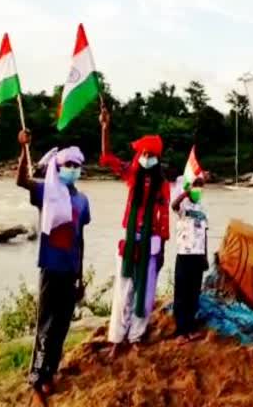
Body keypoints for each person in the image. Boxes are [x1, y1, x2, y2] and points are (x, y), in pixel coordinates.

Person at [16, 131, 90, 406]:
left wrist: (81, 277)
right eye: (67, 165)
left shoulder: (82, 201)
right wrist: (24, 149)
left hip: (71, 271)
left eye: (76, 165)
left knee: (61, 326)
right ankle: (36, 378)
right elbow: (22, 180)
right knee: (45, 326)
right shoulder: (47, 193)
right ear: (58, 168)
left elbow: (80, 240)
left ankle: (50, 372)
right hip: (50, 267)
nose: (72, 169)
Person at [98, 108, 170, 357]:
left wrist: (163, 249)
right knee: (124, 290)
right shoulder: (131, 175)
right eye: (144, 153)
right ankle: (117, 338)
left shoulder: (162, 184)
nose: (147, 158)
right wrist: (105, 128)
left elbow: (165, 217)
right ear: (139, 154)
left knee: (146, 291)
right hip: (129, 241)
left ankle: (136, 335)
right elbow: (107, 158)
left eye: (152, 155)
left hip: (152, 242)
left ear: (157, 159)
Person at [171, 175, 209, 341]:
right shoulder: (183, 207)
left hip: (198, 255)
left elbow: (204, 234)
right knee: (181, 293)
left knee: (194, 293)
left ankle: (191, 327)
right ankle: (180, 330)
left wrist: (206, 256)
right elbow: (174, 205)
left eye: (201, 186)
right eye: (196, 186)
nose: (198, 190)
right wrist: (185, 193)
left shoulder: (202, 209)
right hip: (184, 255)